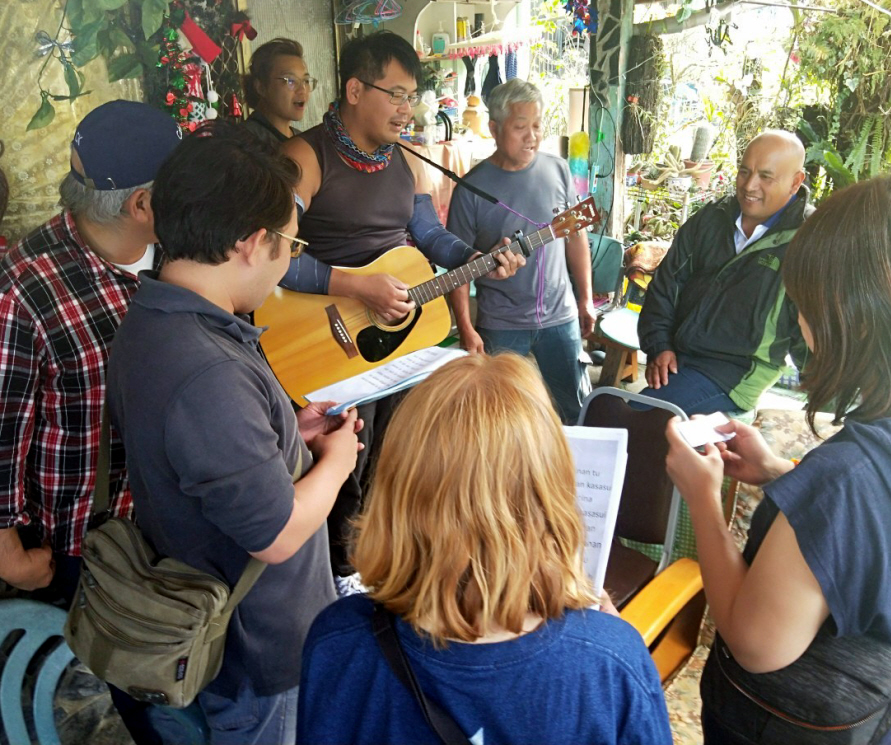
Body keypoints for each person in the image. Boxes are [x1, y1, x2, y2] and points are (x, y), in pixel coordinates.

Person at [664, 175, 891, 744]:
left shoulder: (846, 478)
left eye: (806, 305)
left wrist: (703, 499)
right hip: (890, 705)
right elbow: (887, 537)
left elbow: (755, 643)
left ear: (855, 316)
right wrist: (780, 477)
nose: (800, 321)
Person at [106, 121, 362, 744]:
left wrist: (286, 434)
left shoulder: (154, 315)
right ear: (253, 243)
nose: (283, 271)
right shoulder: (206, 369)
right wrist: (336, 461)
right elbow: (273, 533)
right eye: (290, 250)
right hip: (256, 653)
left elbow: (203, 453)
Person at [298, 353, 673, 744]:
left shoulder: (336, 641)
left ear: (395, 493)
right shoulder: (611, 667)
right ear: (551, 496)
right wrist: (606, 639)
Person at [279, 30, 523, 588]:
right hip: (320, 342)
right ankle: (342, 578)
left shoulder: (405, 164)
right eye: (397, 95)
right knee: (345, 464)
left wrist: (479, 258)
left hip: (395, 341)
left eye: (412, 96)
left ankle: (394, 566)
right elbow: (270, 253)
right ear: (355, 89)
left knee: (399, 454)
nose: (407, 109)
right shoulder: (304, 157)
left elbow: (430, 236)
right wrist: (357, 287)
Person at [0, 100, 181, 601]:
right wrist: (9, 556)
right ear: (141, 204)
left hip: (178, 514)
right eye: (182, 185)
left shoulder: (179, 250)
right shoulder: (24, 290)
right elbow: (1, 425)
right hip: (89, 546)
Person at [447, 79, 595, 423]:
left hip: (560, 315)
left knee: (572, 408)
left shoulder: (558, 170)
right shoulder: (470, 189)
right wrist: (466, 328)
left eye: (538, 125)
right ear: (495, 129)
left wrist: (585, 297)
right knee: (498, 414)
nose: (532, 135)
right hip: (501, 321)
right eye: (520, 127)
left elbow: (576, 238)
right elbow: (455, 266)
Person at [637, 130, 812, 416]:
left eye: (765, 177)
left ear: (795, 182)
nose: (749, 186)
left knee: (634, 418)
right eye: (744, 172)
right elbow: (666, 284)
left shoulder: (807, 243)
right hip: (681, 357)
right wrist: (659, 345)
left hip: (736, 374)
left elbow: (814, 332)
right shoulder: (711, 218)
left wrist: (825, 401)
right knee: (626, 417)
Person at [242, 37, 315, 144]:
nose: (302, 90)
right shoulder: (244, 142)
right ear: (261, 87)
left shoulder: (303, 142)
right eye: (290, 80)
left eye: (306, 81)